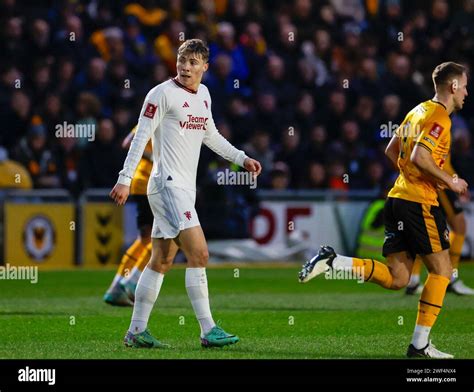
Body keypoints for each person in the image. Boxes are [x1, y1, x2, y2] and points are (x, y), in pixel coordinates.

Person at [298, 62, 469, 358]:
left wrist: (413, 176)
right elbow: (419, 155)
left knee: (398, 278)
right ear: (453, 86)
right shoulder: (441, 116)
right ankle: (419, 346)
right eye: (465, 85)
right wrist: (449, 180)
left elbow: (392, 149)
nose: (467, 92)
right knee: (442, 271)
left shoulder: (417, 110)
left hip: (397, 198)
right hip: (418, 202)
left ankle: (333, 262)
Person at [110, 39, 262, 348]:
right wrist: (125, 178)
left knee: (162, 260)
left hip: (181, 188)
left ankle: (136, 331)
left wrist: (241, 158)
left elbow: (212, 135)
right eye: (182, 60)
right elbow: (140, 138)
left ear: (205, 67)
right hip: (166, 184)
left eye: (193, 62)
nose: (185, 67)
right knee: (200, 253)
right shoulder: (161, 93)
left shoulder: (203, 95)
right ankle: (208, 329)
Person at [406, 156, 474, 296]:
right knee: (459, 225)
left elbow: (392, 151)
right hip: (438, 180)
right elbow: (436, 159)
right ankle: (451, 278)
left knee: (425, 230)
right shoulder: (436, 133)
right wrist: (454, 180)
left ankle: (413, 279)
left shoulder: (411, 133)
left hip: (426, 180)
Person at [104, 125, 154, 306]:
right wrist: (154, 157)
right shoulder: (165, 119)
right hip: (153, 184)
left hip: (140, 183)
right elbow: (128, 143)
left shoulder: (149, 118)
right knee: (166, 237)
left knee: (145, 238)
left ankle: (116, 287)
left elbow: (128, 141)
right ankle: (133, 282)